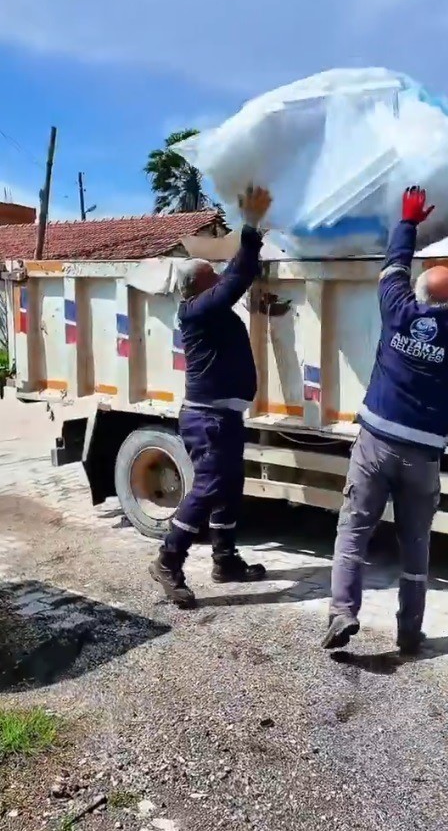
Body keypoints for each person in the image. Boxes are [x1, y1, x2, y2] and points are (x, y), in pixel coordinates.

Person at [323, 186, 448, 654]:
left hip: (376, 442)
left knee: (354, 530)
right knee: (416, 545)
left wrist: (408, 221)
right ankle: (408, 633)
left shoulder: (397, 311)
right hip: (423, 455)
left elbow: (393, 265)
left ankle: (343, 613)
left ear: (418, 294)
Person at [150, 186, 272, 609]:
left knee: (230, 485)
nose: (219, 278)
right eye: (212, 276)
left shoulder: (207, 310)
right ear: (200, 285)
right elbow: (238, 278)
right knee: (210, 485)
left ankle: (225, 560)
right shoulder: (200, 310)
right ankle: (169, 559)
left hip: (222, 416)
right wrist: (251, 227)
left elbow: (234, 279)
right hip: (209, 418)